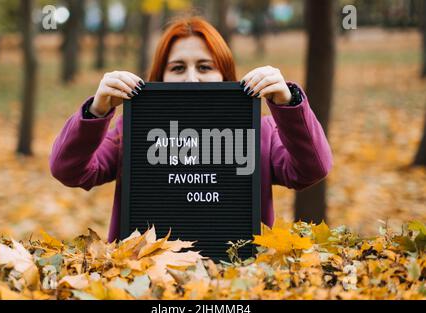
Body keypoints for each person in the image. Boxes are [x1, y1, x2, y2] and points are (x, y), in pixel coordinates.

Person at [49, 16, 333, 243]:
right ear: (159, 78)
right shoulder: (131, 131)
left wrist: (288, 103)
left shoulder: (262, 131)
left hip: (234, 279)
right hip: (145, 279)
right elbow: (69, 171)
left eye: (205, 66)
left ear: (225, 75)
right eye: (177, 68)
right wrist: (96, 111)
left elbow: (313, 168)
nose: (193, 77)